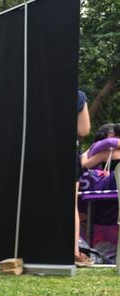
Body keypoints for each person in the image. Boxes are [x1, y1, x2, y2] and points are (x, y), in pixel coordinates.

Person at [75, 90, 93, 267]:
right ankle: (73, 251)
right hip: (66, 150)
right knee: (70, 205)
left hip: (33, 151)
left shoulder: (31, 89)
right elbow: (84, 129)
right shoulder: (77, 95)